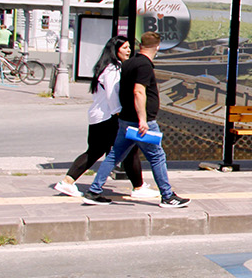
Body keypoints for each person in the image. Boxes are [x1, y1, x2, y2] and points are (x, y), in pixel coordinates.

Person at [81, 32, 189, 208]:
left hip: (125, 120)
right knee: (157, 156)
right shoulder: (144, 66)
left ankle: (94, 191)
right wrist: (143, 120)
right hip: (141, 122)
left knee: (115, 155)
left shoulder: (129, 63)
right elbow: (138, 92)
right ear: (158, 47)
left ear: (140, 46)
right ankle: (168, 196)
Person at [54, 36, 150, 200]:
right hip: (108, 117)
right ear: (116, 49)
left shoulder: (109, 67)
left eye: (129, 47)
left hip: (101, 116)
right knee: (127, 151)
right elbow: (112, 94)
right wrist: (120, 114)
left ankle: (68, 181)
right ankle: (138, 187)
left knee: (101, 151)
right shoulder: (112, 69)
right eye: (125, 47)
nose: (129, 50)